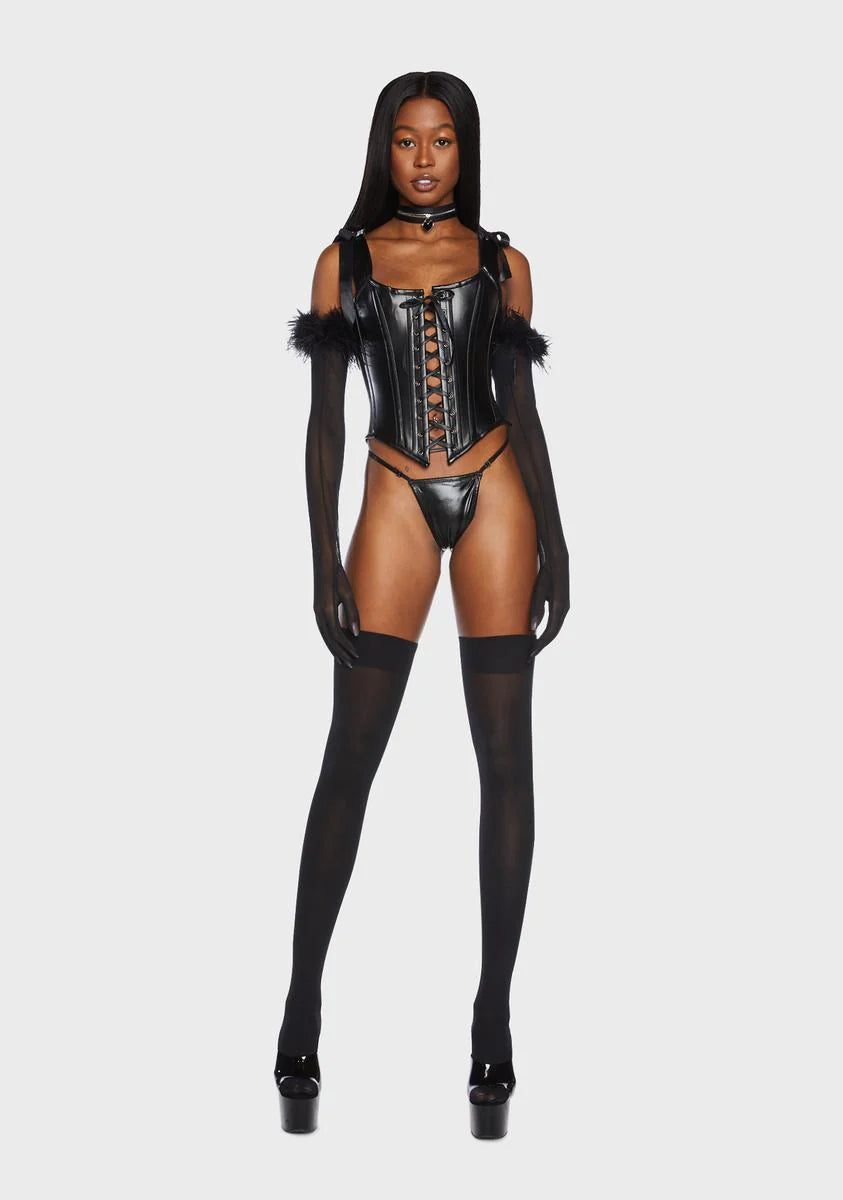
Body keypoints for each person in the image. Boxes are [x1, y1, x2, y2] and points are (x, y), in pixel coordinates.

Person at [275, 70, 570, 1139]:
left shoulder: (504, 263)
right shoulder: (343, 261)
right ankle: (302, 1001)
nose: (425, 158)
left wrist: (557, 539)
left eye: (443, 139)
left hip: (496, 488)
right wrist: (322, 555)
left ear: (465, 148)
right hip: (393, 488)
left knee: (506, 762)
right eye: (406, 140)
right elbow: (323, 421)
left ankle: (493, 1016)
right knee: (349, 757)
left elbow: (521, 405)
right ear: (383, 148)